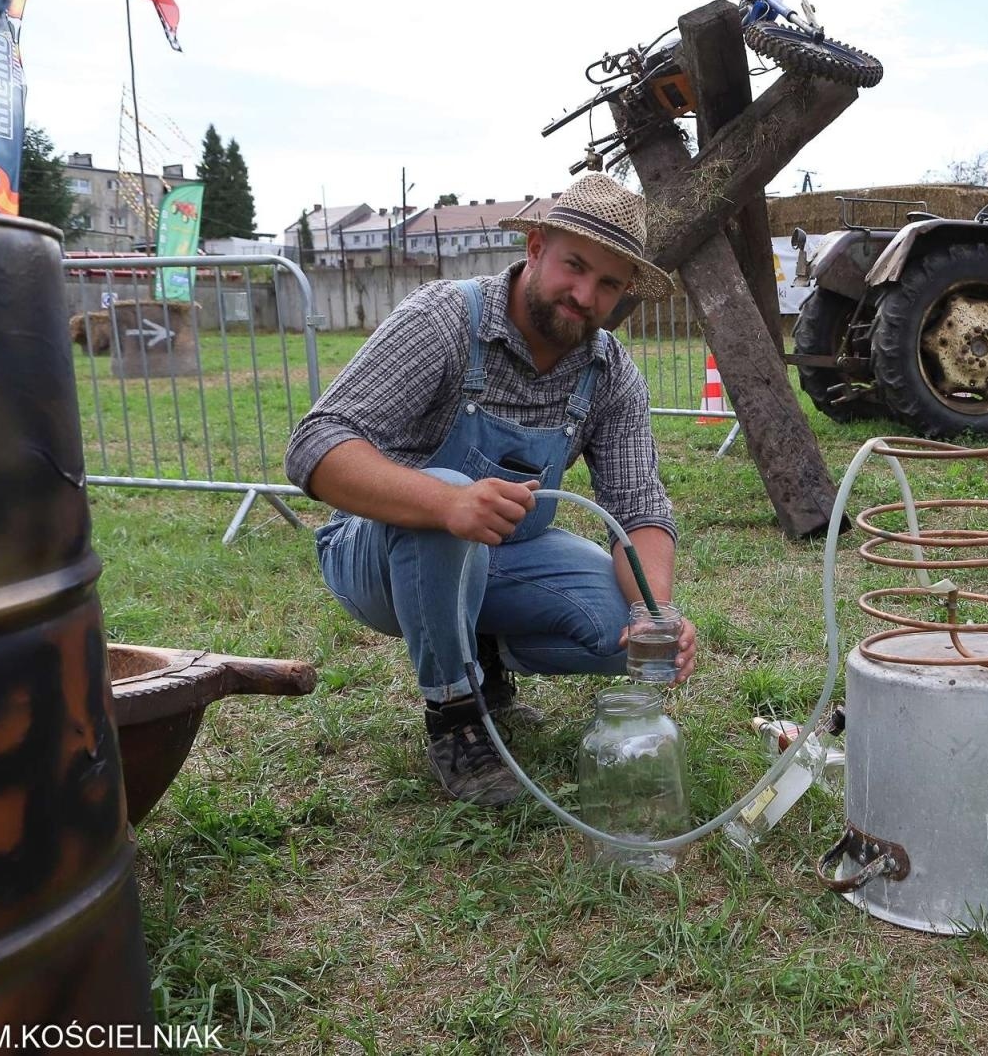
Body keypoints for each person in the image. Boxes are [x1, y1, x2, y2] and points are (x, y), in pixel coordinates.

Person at [284, 173, 697, 806]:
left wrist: (654, 611)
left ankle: (481, 652)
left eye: (608, 283)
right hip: (376, 557)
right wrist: (448, 503)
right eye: (575, 267)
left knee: (625, 630)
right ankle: (455, 716)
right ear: (535, 247)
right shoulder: (445, 319)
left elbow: (637, 505)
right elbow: (315, 448)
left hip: (501, 558)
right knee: (446, 492)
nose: (585, 295)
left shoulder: (609, 372)